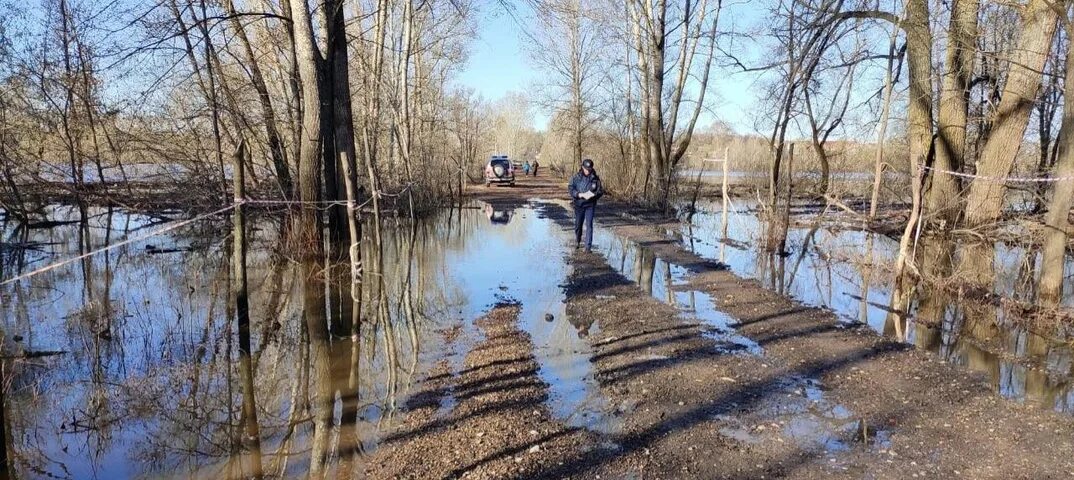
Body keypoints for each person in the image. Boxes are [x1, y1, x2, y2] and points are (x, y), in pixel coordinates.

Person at [568, 158, 603, 252]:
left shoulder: (595, 178)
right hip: (579, 204)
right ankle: (578, 240)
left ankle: (588, 247)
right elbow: (571, 188)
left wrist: (593, 196)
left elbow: (600, 191)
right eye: (586, 169)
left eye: (590, 169)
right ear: (582, 167)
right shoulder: (576, 177)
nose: (588, 171)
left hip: (590, 205)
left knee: (589, 225)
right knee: (578, 225)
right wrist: (578, 194)